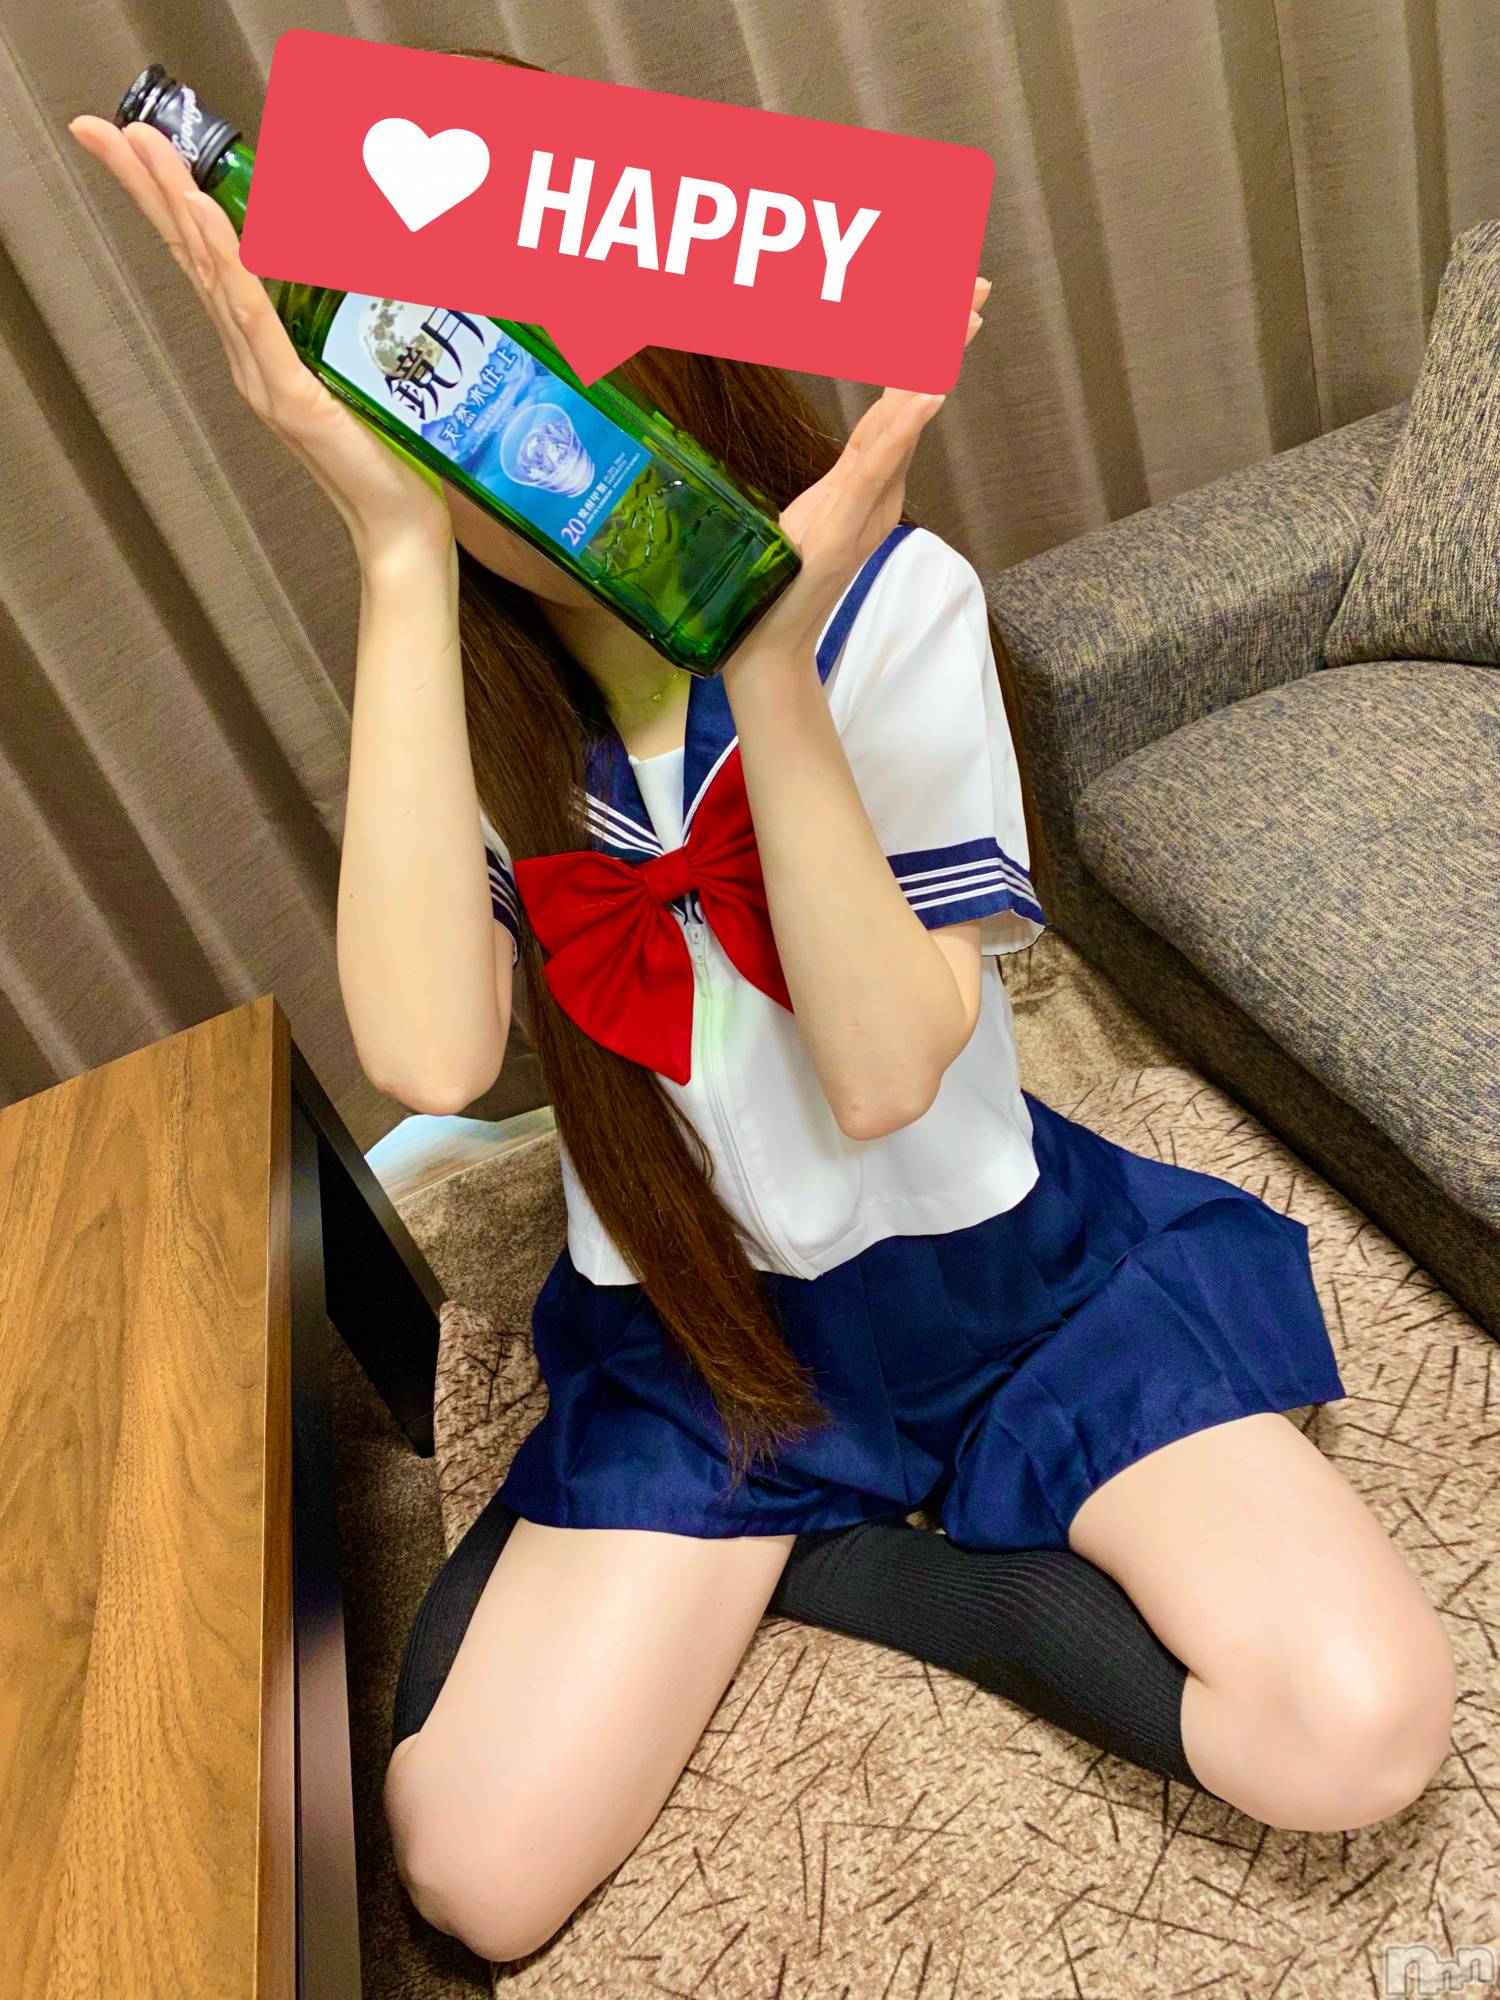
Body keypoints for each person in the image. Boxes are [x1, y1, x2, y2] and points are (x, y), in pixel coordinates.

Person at [71, 51, 1455, 1972]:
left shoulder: (896, 606)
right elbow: (434, 1060)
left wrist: (773, 667)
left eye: (543, 381)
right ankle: (798, 1533)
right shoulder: (471, 679)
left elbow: (885, 1077)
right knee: (465, 1867)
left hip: (999, 1289)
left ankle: (879, 1569)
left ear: (664, 355)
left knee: (1360, 1726)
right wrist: (392, 558)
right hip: (705, 1343)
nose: (517, 456)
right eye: (437, 402)